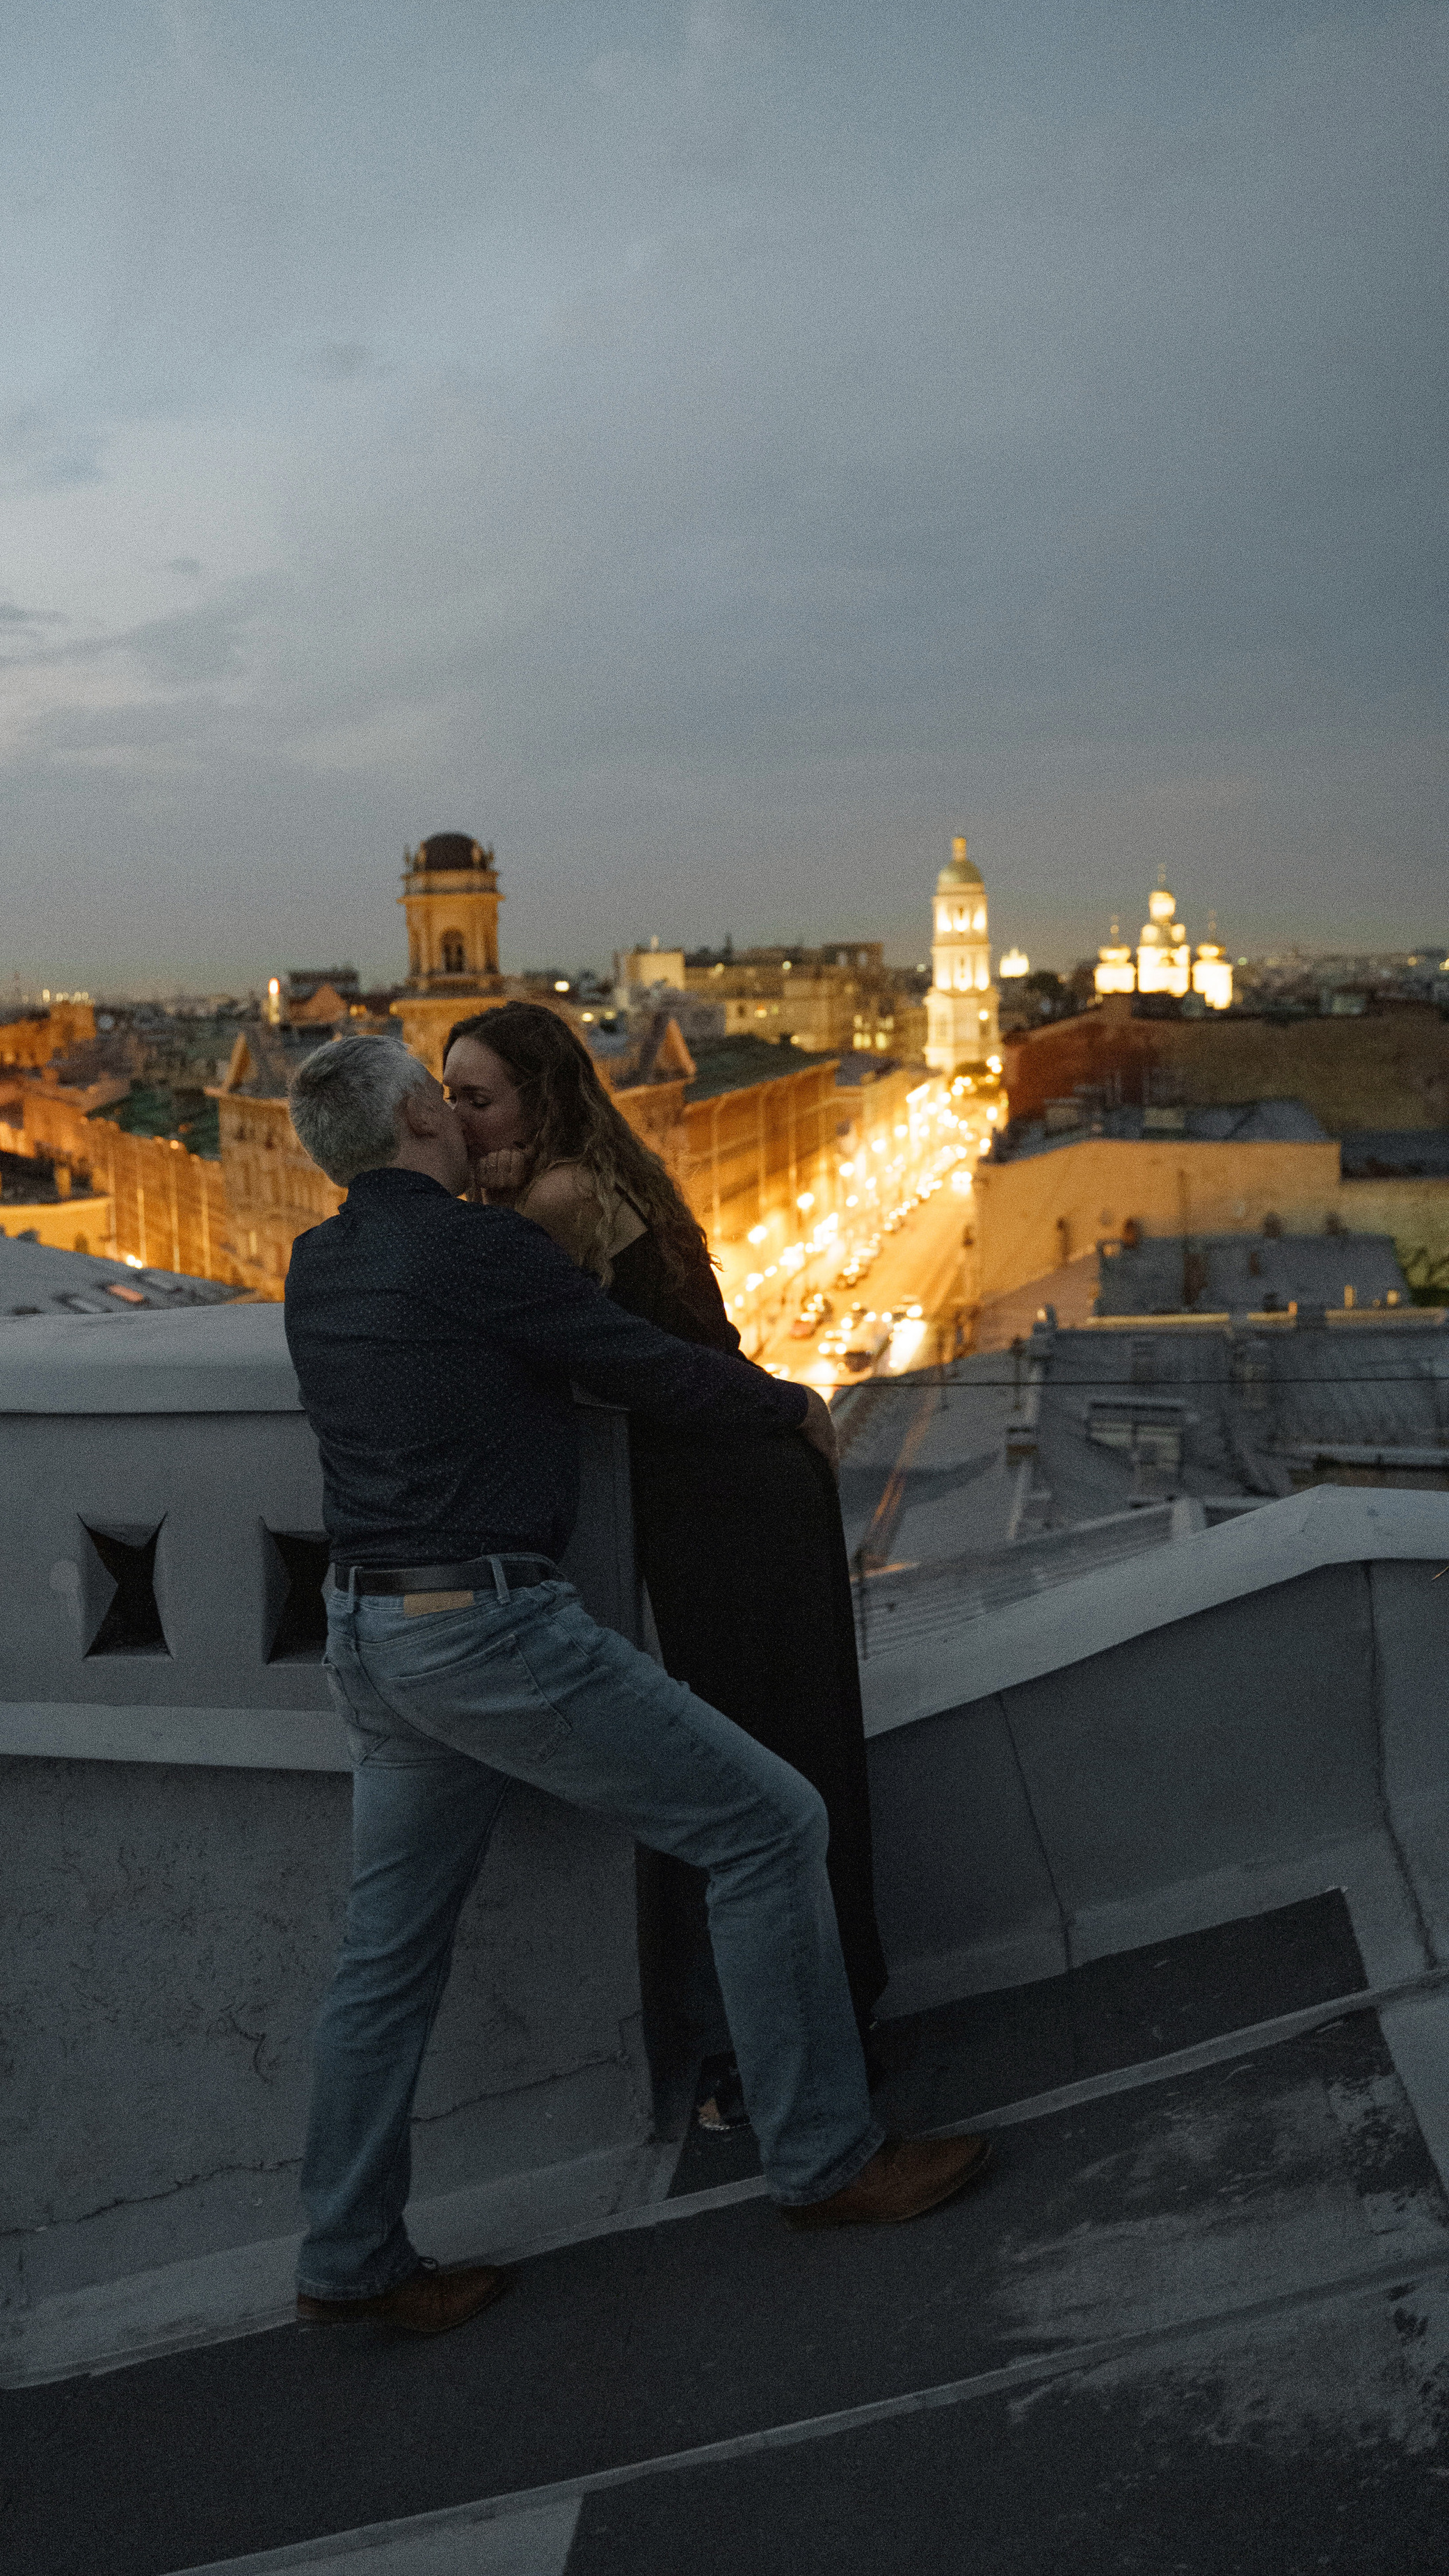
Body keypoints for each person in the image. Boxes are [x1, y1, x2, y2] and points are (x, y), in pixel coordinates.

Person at [282, 1033, 986, 2338]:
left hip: (367, 1637)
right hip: (487, 1629)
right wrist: (783, 1404)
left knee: (384, 1962)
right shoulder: (481, 1252)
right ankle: (827, 2161)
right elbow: (641, 1363)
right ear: (421, 1119)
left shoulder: (316, 1264)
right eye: (441, 1098)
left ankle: (347, 2254)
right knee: (769, 1826)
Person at [442, 1002, 887, 2130]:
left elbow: (511, 1339)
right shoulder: (598, 1173)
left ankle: (768, 2066)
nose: (457, 1119)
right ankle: (834, 2021)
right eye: (444, 1096)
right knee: (802, 1752)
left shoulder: (557, 1202)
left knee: (746, 1779)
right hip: (753, 1484)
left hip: (716, 1508)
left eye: (476, 1098)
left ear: (538, 1102)